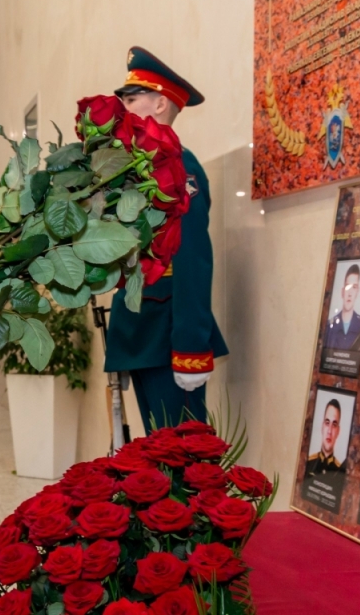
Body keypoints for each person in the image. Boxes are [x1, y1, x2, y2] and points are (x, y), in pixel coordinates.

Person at [103, 46, 227, 432]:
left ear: (159, 104)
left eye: (131, 99)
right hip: (141, 334)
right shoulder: (135, 167)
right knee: (154, 457)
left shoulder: (179, 167)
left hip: (168, 336)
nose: (122, 107)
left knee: (182, 456)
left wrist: (190, 347)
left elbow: (192, 259)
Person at [324, 264, 360, 350]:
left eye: (354, 287)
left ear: (357, 292)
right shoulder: (329, 328)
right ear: (342, 291)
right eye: (347, 286)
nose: (350, 293)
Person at [306, 399, 345, 477]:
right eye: (327, 423)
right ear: (322, 426)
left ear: (338, 431)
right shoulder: (307, 463)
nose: (329, 431)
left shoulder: (340, 472)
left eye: (334, 425)